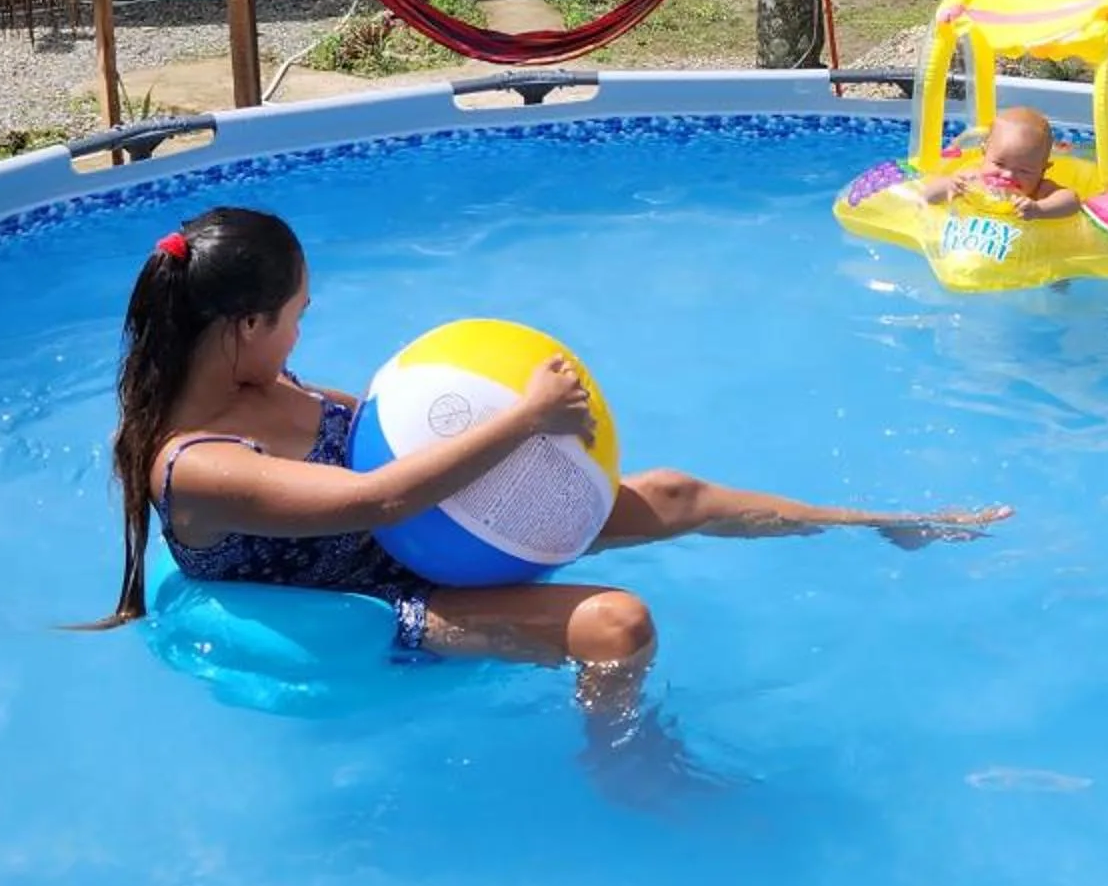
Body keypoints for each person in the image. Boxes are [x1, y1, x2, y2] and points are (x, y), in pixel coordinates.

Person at [98, 206, 1005, 706]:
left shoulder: (271, 384)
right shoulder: (193, 465)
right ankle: (624, 771)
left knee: (675, 492)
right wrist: (526, 419)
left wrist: (492, 407)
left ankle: (889, 524)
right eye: (296, 314)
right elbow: (370, 500)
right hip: (382, 589)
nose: (304, 329)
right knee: (619, 626)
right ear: (245, 325)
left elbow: (386, 419)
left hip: (436, 531)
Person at [915, 105, 1080, 220]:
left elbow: (1072, 201)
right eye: (1000, 164)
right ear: (984, 154)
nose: (1008, 175)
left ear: (1042, 170)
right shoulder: (972, 179)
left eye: (1024, 171)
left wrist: (1040, 209)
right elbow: (926, 195)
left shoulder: (1039, 190)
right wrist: (948, 186)